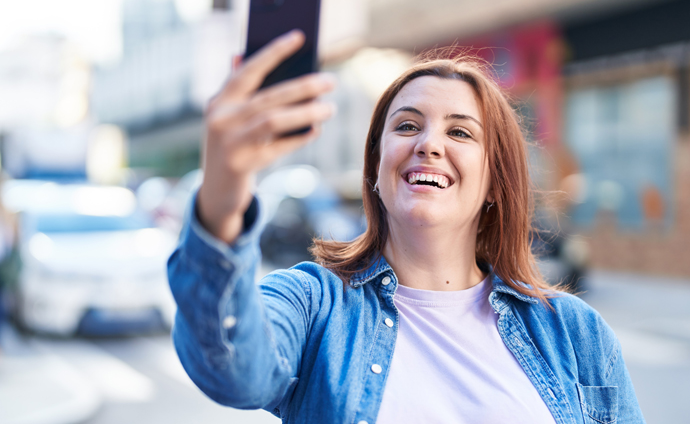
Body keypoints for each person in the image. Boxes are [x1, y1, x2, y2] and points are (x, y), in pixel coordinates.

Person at [168, 30, 645, 423]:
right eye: (407, 126)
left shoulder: (575, 332)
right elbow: (231, 367)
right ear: (377, 169)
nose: (429, 144)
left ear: (495, 180)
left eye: (459, 131)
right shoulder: (315, 305)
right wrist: (223, 193)